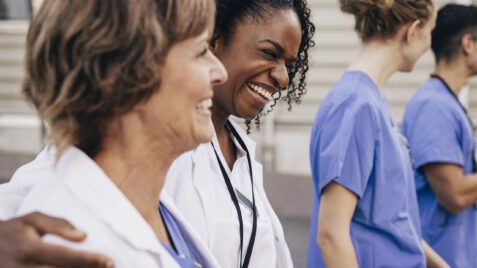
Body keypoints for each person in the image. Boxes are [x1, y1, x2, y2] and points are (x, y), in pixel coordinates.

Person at [0, 0, 314, 266]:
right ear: (129, 74)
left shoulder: (158, 201)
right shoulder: (70, 237)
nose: (217, 71)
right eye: (200, 51)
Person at [164, 0, 314, 267]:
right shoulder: (169, 147)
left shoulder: (242, 153)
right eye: (269, 53)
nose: (283, 78)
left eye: (289, 65)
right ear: (214, 40)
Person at [306, 0, 448, 267]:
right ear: (413, 30)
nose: (429, 44)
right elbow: (331, 236)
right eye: (430, 31)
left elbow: (393, 220)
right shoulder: (356, 105)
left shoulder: (371, 101)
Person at [401, 4, 477, 267]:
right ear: (468, 43)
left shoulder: (447, 102)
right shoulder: (433, 105)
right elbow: (454, 195)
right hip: (438, 259)